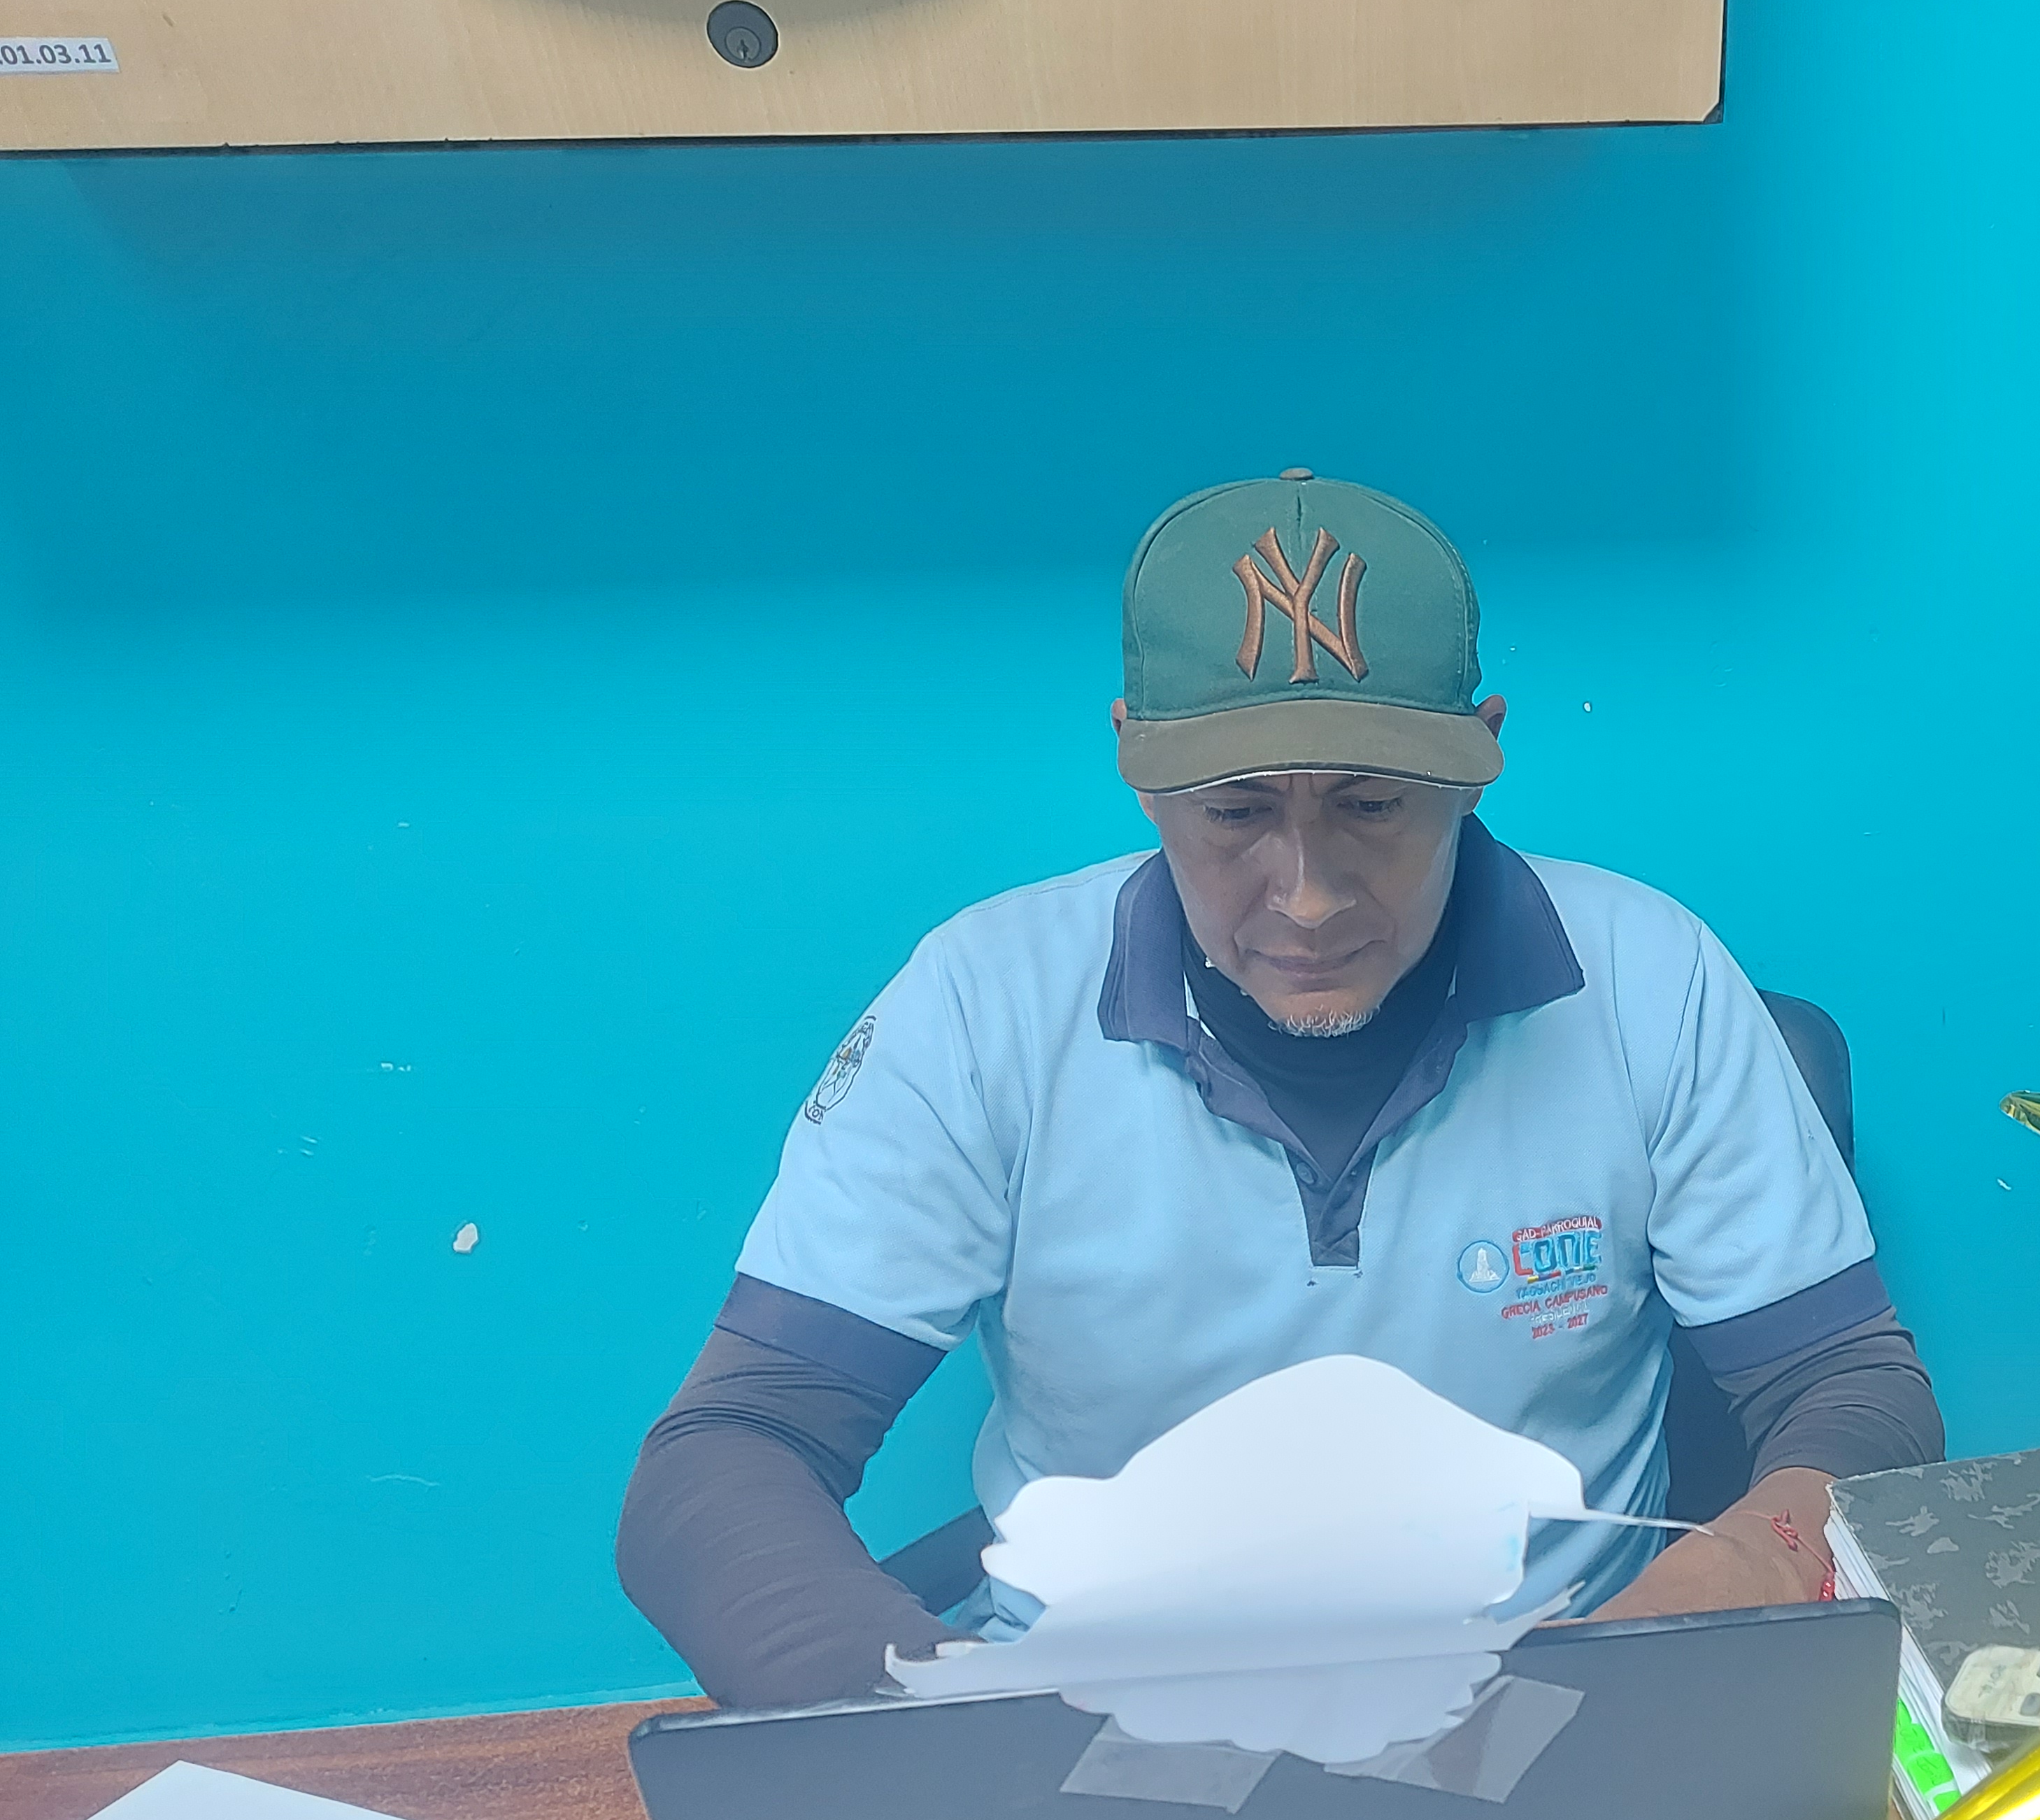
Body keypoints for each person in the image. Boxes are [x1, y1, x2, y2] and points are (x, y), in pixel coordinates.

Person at [616, 471, 1943, 1707]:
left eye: (1372, 805)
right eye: (1237, 812)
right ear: (1136, 762)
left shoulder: (1649, 979)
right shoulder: (980, 1007)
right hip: (1084, 1721)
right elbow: (729, 1448)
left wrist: (1703, 1606)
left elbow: (1851, 1390)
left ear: (1478, 754)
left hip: (1561, 1699)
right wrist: (940, 1733)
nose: (1306, 899)